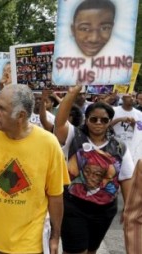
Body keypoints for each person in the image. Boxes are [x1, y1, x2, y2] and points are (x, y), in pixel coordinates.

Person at [0, 84, 68, 254]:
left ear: (21, 115)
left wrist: (55, 237)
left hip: (29, 245)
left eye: (2, 109)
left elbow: (55, 196)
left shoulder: (49, 144)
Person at [54, 84, 134, 254]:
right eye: (93, 119)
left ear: (109, 122)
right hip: (74, 206)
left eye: (104, 120)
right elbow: (59, 123)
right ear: (87, 119)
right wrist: (71, 94)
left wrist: (128, 208)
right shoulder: (73, 136)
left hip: (104, 211)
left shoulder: (119, 147)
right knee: (76, 251)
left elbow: (126, 178)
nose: (98, 123)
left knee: (91, 250)